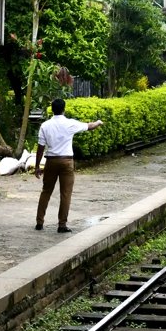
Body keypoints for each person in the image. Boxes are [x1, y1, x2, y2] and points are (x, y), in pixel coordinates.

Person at [34, 98, 103, 233]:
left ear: (52, 110)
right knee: (65, 194)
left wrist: (37, 166)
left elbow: (40, 147)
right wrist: (99, 122)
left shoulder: (45, 125)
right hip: (67, 162)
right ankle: (62, 225)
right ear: (64, 109)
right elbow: (89, 126)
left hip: (51, 162)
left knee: (46, 191)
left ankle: (39, 222)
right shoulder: (70, 124)